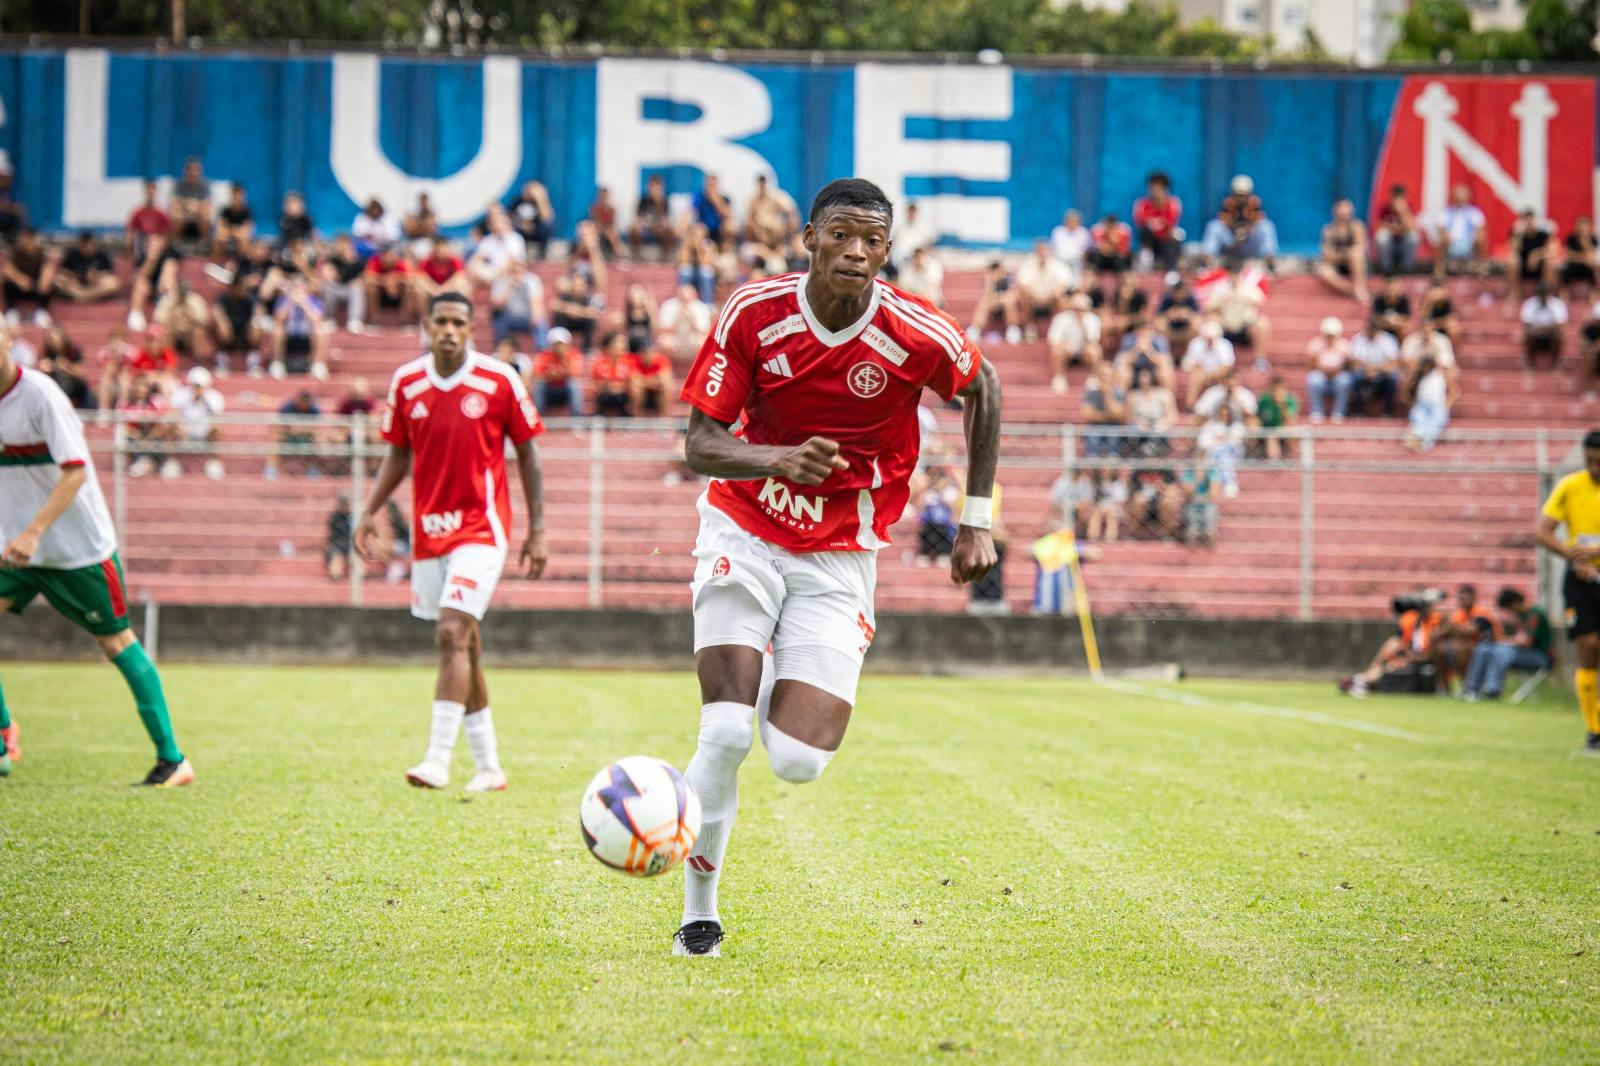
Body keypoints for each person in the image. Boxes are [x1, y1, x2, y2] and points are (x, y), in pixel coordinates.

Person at [671, 177, 999, 958]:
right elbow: (699, 443)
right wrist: (779, 458)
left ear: (888, 251)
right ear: (810, 236)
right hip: (745, 528)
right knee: (723, 732)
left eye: (873, 241)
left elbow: (982, 386)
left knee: (796, 762)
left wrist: (975, 520)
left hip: (841, 553)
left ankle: (779, 656)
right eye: (842, 235)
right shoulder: (754, 311)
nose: (856, 252)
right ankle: (698, 912)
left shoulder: (918, 332)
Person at [357, 291, 548, 791]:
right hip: (429, 533)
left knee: (449, 634)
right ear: (426, 324)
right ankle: (489, 767)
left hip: (483, 530)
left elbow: (528, 455)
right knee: (465, 645)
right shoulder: (407, 382)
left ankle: (437, 760)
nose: (447, 329)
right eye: (439, 320)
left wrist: (538, 529)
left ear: (470, 329)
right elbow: (398, 454)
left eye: (457, 322)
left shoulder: (499, 379)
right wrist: (370, 510)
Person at [0, 327, 192, 785]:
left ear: (8, 339)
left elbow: (74, 474)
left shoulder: (40, 395)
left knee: (116, 644)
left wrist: (33, 533)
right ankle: (3, 734)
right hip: (15, 546)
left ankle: (173, 760)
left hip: (75, 549)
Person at [1536, 431, 1600, 751]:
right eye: (1589, 461)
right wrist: (1571, 555)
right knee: (1588, 646)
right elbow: (1542, 531)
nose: (1594, 467)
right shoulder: (1570, 485)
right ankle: (1594, 730)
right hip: (1581, 580)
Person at [1341, 589, 1444, 697]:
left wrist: (1412, 655)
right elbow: (1406, 643)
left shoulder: (1437, 620)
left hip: (1426, 658)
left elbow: (1429, 648)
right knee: (1391, 651)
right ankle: (1360, 680)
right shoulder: (1413, 620)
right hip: (1413, 656)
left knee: (1392, 664)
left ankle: (1359, 681)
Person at [1461, 587, 1554, 702]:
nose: (1510, 613)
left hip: (1540, 657)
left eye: (1509, 609)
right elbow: (1516, 640)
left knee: (1503, 650)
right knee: (1484, 648)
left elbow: (1526, 643)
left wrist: (1501, 641)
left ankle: (1492, 691)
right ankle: (1471, 690)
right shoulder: (1521, 617)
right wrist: (1499, 641)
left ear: (1515, 603)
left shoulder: (1534, 614)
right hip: (1521, 653)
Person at [1433, 583, 1503, 686]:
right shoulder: (1458, 614)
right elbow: (1446, 633)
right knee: (1440, 649)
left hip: (1490, 646)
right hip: (1469, 646)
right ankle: (1444, 686)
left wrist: (1448, 621)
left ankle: (1468, 684)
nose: (1462, 602)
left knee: (1459, 649)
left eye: (1465, 599)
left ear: (1474, 598)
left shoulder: (1482, 612)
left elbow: (1469, 632)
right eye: (1460, 599)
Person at [1201, 175, 1277, 263]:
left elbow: (1259, 220)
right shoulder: (1228, 203)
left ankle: (1270, 261)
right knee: (1214, 226)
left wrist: (1245, 231)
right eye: (1238, 195)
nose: (1241, 198)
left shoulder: (1254, 202)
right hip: (1232, 242)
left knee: (1266, 226)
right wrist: (1237, 232)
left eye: (1244, 195)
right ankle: (1207, 260)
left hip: (1248, 242)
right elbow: (1223, 220)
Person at [168, 366, 226, 481]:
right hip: (184, 430)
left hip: (204, 431)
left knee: (217, 429)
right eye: (195, 385)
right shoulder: (181, 394)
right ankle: (172, 462)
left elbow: (217, 416)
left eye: (200, 386)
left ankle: (213, 461)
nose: (197, 388)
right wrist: (179, 425)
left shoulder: (214, 396)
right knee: (170, 426)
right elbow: (172, 412)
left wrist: (202, 399)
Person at [270, 279, 330, 381]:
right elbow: (278, 318)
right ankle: (278, 363)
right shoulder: (283, 299)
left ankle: (317, 365)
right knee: (277, 329)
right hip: (288, 336)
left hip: (307, 336)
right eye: (295, 287)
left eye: (300, 287)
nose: (297, 290)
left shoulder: (313, 300)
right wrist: (289, 302)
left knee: (320, 330)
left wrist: (304, 302)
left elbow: (317, 319)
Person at [1426, 183, 1487, 280]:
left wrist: (1475, 237)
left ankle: (1480, 267)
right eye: (1458, 195)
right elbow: (1441, 228)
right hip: (1450, 244)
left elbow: (1480, 229)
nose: (1460, 198)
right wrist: (1446, 236)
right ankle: (1439, 269)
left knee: (1480, 238)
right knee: (1442, 239)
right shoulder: (1445, 212)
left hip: (1469, 244)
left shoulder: (1475, 213)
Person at [1316, 199, 1369, 304]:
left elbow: (1361, 247)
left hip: (1356, 264)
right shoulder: (1328, 230)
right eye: (1340, 211)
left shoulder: (1357, 227)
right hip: (1338, 266)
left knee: (1356, 254)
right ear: (1335, 212)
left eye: (1345, 211)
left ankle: (1360, 288)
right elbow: (1326, 254)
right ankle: (1353, 291)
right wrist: (1344, 255)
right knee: (1322, 270)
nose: (1343, 214)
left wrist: (1339, 255)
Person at [1047, 292, 1102, 392]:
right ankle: (1059, 378)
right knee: (1057, 351)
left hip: (1084, 352)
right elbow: (1053, 340)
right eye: (1076, 308)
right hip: (1066, 351)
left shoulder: (1093, 319)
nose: (1078, 312)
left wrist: (1083, 325)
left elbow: (1093, 341)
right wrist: (1065, 345)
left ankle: (1094, 378)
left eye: (1082, 309)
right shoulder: (1061, 318)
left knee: (1096, 351)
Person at [1014, 242, 1072, 337]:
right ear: (1036, 251)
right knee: (1023, 296)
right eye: (1040, 250)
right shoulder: (1027, 264)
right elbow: (1022, 284)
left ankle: (1056, 329)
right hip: (1032, 298)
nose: (1042, 253)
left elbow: (1063, 284)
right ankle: (1029, 328)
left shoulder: (1058, 265)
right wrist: (1036, 296)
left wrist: (1049, 296)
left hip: (1051, 298)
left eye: (1044, 250)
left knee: (1061, 299)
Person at [1304, 316, 1354, 424]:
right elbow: (1309, 366)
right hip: (1322, 377)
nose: (1330, 338)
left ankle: (1339, 412)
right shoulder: (1315, 344)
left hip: (1338, 377)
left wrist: (1337, 370)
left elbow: (1349, 366)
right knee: (1313, 378)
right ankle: (1317, 411)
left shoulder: (1344, 345)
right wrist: (1322, 370)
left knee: (1345, 380)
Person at [1, 228, 55, 328]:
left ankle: (41, 312)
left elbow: (47, 270)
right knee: (6, 283)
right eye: (24, 238)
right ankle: (11, 311)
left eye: (29, 239)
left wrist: (43, 282)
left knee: (50, 285)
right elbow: (8, 270)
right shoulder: (15, 252)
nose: (26, 242)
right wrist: (21, 280)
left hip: (36, 287)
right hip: (18, 287)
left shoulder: (41, 253)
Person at [1349, 317, 1401, 418]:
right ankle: (1358, 412)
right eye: (1369, 329)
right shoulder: (1358, 339)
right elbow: (1354, 362)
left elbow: (1394, 362)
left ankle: (1388, 413)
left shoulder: (1388, 340)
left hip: (1382, 373)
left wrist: (1377, 369)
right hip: (1364, 372)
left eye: (1374, 329)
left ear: (1379, 330)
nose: (1371, 332)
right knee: (1356, 377)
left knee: (1392, 378)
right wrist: (1367, 370)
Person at [490, 257, 548, 347]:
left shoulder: (532, 280)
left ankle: (541, 348)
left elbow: (536, 302)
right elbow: (497, 306)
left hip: (526, 317)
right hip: (508, 317)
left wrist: (535, 316)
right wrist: (509, 287)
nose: (517, 273)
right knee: (498, 317)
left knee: (541, 320)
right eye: (514, 270)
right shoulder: (501, 280)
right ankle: (501, 348)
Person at [1403, 355, 1456, 453]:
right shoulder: (1418, 377)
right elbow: (1407, 393)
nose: (1426, 369)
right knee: (1418, 420)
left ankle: (1423, 441)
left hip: (1437, 405)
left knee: (1435, 422)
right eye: (1424, 366)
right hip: (1421, 405)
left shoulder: (1441, 374)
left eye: (1428, 366)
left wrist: (1447, 404)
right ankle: (1419, 437)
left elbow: (1454, 391)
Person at [1132, 172, 1182, 272]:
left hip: (1165, 240)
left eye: (1159, 188)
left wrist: (1161, 205)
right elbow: (1140, 223)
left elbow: (1171, 224)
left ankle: (1172, 273)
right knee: (1144, 231)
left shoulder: (1173, 203)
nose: (1155, 191)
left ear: (1165, 189)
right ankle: (1146, 259)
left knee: (1176, 238)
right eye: (1153, 187)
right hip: (1150, 241)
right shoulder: (1141, 204)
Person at [54, 230, 120, 304]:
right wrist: (74, 275)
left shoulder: (102, 255)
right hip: (76, 285)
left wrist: (97, 275)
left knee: (113, 283)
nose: (87, 248)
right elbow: (62, 271)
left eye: (89, 245)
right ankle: (88, 297)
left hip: (95, 286)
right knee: (58, 280)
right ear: (80, 244)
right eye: (84, 245)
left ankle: (82, 296)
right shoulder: (72, 254)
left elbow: (110, 273)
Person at [1181, 319, 1234, 410]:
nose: (1209, 340)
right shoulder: (1195, 343)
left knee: (1228, 378)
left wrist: (1212, 375)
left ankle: (1224, 407)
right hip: (1202, 374)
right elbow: (1194, 364)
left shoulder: (1225, 344)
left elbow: (1227, 366)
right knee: (1194, 379)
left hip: (1218, 375)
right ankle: (1190, 406)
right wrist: (1205, 375)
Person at [1506, 208, 1556, 305]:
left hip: (1539, 267)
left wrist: (1536, 255)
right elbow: (1512, 250)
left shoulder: (1543, 235)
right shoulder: (1518, 235)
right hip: (1522, 267)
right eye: (1526, 220)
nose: (1529, 223)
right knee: (1512, 261)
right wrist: (1518, 235)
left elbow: (1552, 250)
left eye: (1531, 220)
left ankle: (1545, 292)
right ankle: (1515, 293)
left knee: (1549, 262)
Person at [530, 326, 582, 415]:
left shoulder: (573, 354)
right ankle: (538, 417)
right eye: (556, 344)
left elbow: (574, 373)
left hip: (564, 388)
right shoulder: (544, 355)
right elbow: (538, 374)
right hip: (549, 388)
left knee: (574, 385)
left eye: (561, 344)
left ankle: (576, 420)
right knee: (539, 385)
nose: (559, 347)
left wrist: (563, 359)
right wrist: (550, 375)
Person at [657, 283, 713, 366]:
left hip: (693, 337)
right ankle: (667, 368)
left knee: (703, 343)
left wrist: (692, 321)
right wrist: (678, 320)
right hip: (674, 337)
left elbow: (704, 331)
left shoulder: (701, 307)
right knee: (663, 341)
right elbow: (662, 329)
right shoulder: (668, 305)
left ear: (694, 295)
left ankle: (697, 370)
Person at [362, 245, 416, 329]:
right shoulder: (374, 263)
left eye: (390, 255)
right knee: (370, 287)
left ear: (395, 256)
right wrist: (385, 281)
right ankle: (375, 320)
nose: (387, 258)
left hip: (399, 297)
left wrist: (396, 278)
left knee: (409, 288)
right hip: (380, 297)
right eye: (385, 255)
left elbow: (412, 280)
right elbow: (367, 278)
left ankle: (405, 321)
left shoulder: (401, 264)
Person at [1198, 402, 1245, 498]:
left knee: (1223, 452)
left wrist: (1219, 440)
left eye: (1227, 415)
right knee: (1223, 456)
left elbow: (1238, 441)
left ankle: (1222, 484)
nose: (1225, 417)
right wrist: (1222, 441)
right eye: (1222, 415)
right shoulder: (1211, 425)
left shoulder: (1237, 426)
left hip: (1234, 453)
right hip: (1215, 455)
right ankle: (1230, 484)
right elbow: (1202, 442)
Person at [967, 260, 1020, 344]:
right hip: (993, 308)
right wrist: (990, 282)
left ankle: (1012, 329)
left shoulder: (1008, 279)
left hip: (1006, 309)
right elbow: (987, 296)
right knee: (984, 302)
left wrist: (998, 299)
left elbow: (1012, 295)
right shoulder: (989, 281)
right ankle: (975, 329)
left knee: (1008, 302)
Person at [1373, 184, 1419, 275]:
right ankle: (1386, 267)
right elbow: (1378, 227)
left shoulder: (1409, 208)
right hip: (1390, 245)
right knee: (1381, 236)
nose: (1398, 200)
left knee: (1413, 237)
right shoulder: (1384, 208)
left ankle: (1407, 268)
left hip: (1403, 245)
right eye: (1395, 197)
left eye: (1401, 197)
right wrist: (1398, 230)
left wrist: (1403, 212)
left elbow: (1413, 228)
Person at [1520, 282, 1567, 369]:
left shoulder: (1557, 304)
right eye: (1541, 294)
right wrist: (1543, 328)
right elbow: (1526, 325)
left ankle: (1555, 365)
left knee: (1559, 335)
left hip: (1550, 335)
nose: (1543, 297)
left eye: (1544, 294)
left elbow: (1560, 325)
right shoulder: (1529, 304)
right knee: (1527, 335)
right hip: (1535, 335)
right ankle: (1531, 364)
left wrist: (1542, 328)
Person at [508, 180, 556, 259]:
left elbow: (547, 218)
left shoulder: (540, 203)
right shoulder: (518, 200)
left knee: (547, 226)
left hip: (535, 231)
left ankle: (542, 253)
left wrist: (540, 199)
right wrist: (522, 224)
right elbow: (509, 216)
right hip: (519, 229)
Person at [170, 157, 212, 247]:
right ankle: (176, 242)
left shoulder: (205, 185)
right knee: (175, 213)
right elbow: (175, 202)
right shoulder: (179, 185)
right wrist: (190, 205)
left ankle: (204, 242)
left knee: (206, 214)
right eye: (190, 170)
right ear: (186, 171)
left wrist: (193, 207)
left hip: (198, 215)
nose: (193, 173)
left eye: (196, 170)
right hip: (184, 215)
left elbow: (207, 204)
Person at [126, 180, 171, 264]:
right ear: (145, 192)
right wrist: (130, 253)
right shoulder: (137, 213)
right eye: (148, 190)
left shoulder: (161, 214)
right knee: (140, 238)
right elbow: (130, 234)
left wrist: (157, 244)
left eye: (153, 190)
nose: (151, 193)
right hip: (142, 246)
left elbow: (165, 236)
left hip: (156, 246)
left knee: (155, 241)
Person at [631, 174, 675, 258]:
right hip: (646, 227)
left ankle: (665, 255)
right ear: (649, 187)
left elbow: (666, 219)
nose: (655, 190)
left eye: (657, 187)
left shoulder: (664, 201)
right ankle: (636, 254)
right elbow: (637, 218)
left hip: (658, 228)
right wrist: (643, 224)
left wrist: (659, 204)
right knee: (634, 228)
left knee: (668, 229)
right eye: (653, 187)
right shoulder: (643, 201)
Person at [1256, 374, 1298, 460]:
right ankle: (1254, 453)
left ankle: (1287, 456)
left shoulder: (1290, 400)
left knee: (1287, 429)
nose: (1277, 391)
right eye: (1275, 388)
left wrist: (1281, 405)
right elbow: (1258, 417)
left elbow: (1289, 420)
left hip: (1282, 429)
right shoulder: (1264, 400)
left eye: (1280, 388)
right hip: (1267, 429)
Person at [212, 182, 254, 261]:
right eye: (235, 195)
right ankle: (216, 266)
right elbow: (220, 228)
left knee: (243, 240)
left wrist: (230, 230)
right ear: (231, 196)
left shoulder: (248, 211)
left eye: (240, 195)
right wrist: (236, 230)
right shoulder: (225, 210)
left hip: (239, 238)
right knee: (218, 239)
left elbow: (247, 231)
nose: (237, 198)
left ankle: (242, 266)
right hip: (228, 237)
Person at [1561, 215, 1597, 301]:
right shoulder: (1570, 238)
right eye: (1580, 225)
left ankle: (1593, 297)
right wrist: (1583, 257)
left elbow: (1591, 256)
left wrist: (1584, 240)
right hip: (1573, 266)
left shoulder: (1593, 239)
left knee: (1592, 268)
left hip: (1586, 267)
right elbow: (1568, 255)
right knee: (1567, 269)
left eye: (1584, 226)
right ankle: (1565, 297)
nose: (1582, 228)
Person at [1049, 209, 1091, 274]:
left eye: (1075, 221)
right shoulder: (1058, 231)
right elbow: (1053, 248)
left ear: (1079, 222)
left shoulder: (1083, 232)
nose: (1072, 223)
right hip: (1060, 260)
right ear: (1065, 221)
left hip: (1077, 261)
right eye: (1070, 221)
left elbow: (1085, 250)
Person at [1371, 274, 1412, 341]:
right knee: (1375, 328)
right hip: (1383, 329)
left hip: (1398, 328)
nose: (1392, 291)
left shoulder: (1404, 300)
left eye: (1394, 288)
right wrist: (1387, 322)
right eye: (1390, 287)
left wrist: (1396, 322)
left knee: (1405, 329)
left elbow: (1407, 320)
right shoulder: (1379, 300)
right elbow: (1375, 318)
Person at [403, 192, 439, 258]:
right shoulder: (412, 212)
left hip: (427, 242)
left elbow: (430, 229)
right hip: (412, 241)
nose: (423, 203)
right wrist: (423, 225)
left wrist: (416, 224)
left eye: (425, 201)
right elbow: (408, 229)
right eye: (422, 200)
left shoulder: (431, 213)